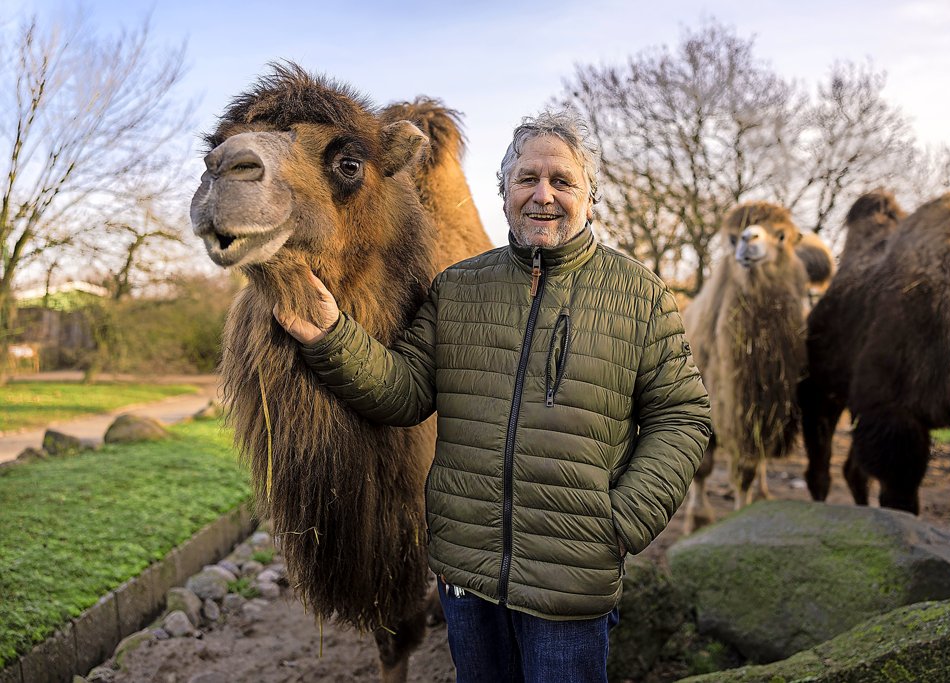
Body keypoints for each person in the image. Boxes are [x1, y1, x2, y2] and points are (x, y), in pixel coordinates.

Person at [274, 110, 711, 682]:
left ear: (589, 195)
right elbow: (405, 393)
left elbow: (681, 416)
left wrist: (624, 521)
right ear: (503, 191)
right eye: (527, 179)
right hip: (468, 578)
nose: (544, 196)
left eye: (562, 181)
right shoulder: (458, 288)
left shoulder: (640, 295)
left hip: (571, 583)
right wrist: (333, 338)